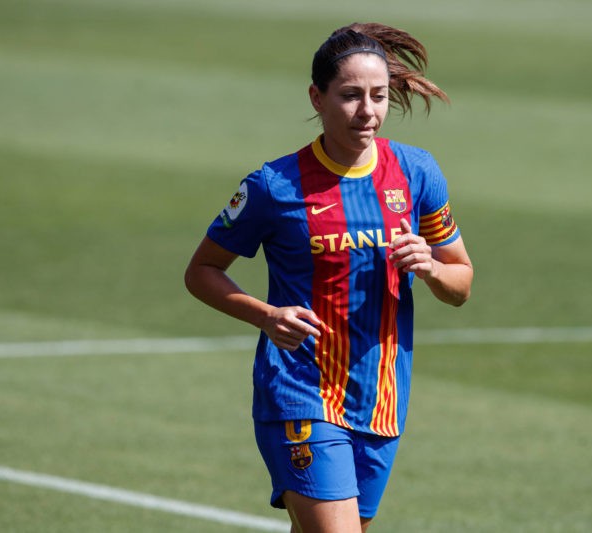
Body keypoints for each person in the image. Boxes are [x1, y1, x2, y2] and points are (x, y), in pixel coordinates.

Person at [185, 22, 473, 533]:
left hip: (382, 399)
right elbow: (202, 271)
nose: (368, 112)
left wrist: (429, 267)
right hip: (300, 392)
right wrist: (266, 315)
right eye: (350, 96)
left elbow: (461, 283)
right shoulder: (274, 186)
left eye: (379, 96)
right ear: (316, 97)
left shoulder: (417, 172)